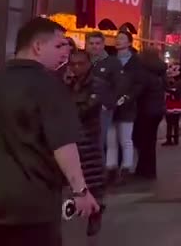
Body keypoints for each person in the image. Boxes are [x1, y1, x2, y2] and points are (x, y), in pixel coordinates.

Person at [0, 17, 101, 245]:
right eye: (59, 45)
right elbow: (63, 144)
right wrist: (80, 190)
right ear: (37, 46)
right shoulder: (49, 86)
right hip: (31, 207)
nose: (66, 53)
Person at [65, 49, 109, 236]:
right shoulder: (66, 83)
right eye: (73, 64)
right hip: (69, 136)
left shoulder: (97, 84)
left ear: (89, 63)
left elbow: (86, 108)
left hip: (88, 137)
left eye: (80, 64)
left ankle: (95, 211)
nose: (76, 68)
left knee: (92, 177)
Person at [99, 31, 144, 184]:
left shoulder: (136, 62)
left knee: (125, 139)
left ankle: (126, 168)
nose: (118, 41)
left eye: (122, 39)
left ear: (130, 43)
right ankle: (110, 167)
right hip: (111, 105)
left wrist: (128, 97)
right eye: (117, 39)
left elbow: (139, 84)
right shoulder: (111, 60)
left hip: (127, 106)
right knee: (110, 139)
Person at [132, 50, 166, 179]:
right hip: (157, 111)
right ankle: (149, 170)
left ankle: (144, 170)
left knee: (143, 142)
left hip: (145, 111)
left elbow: (139, 92)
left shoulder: (144, 73)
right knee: (150, 142)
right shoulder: (160, 72)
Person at [163, 61, 181, 146]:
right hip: (171, 103)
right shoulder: (174, 81)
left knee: (173, 122)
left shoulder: (178, 82)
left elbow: (177, 92)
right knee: (172, 122)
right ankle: (171, 138)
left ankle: (173, 138)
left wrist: (169, 90)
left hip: (174, 103)